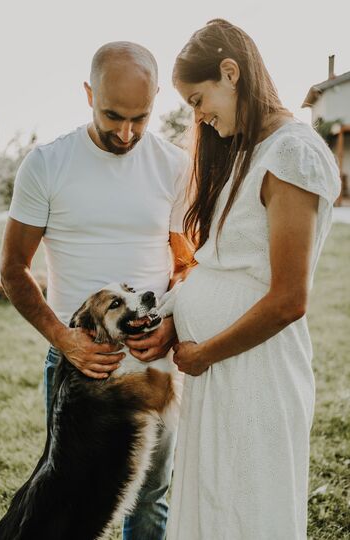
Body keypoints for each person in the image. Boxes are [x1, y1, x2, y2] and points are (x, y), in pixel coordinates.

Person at [0, 41, 192, 540]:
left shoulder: (174, 165)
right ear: (88, 94)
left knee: (150, 495)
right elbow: (15, 269)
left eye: (140, 118)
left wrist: (170, 325)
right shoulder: (46, 164)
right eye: (112, 115)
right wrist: (62, 339)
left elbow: (184, 265)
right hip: (79, 364)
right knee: (67, 494)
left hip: (154, 358)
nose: (126, 133)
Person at [166, 19, 341, 540]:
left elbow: (288, 299)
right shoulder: (249, 149)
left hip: (252, 369)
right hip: (220, 367)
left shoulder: (293, 153)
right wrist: (176, 317)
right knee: (214, 505)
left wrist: (204, 353)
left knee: (246, 511)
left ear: (230, 72)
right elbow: (224, 267)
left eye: (198, 100)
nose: (198, 116)